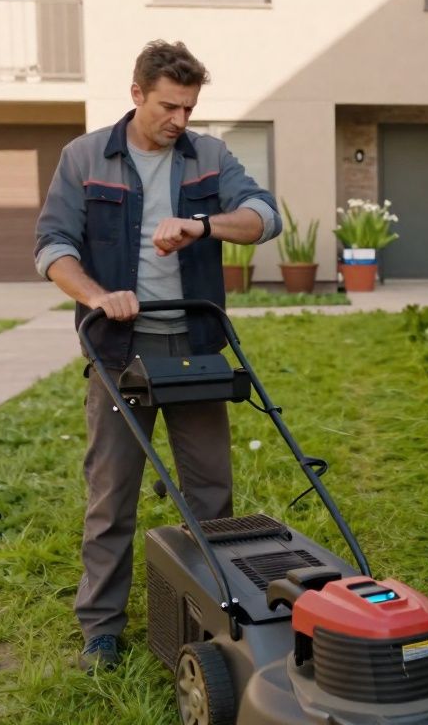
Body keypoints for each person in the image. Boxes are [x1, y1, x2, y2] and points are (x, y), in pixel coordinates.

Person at [33, 40, 281, 672]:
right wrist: (98, 296)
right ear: (137, 93)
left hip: (194, 346)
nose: (179, 119)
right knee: (111, 494)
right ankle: (101, 630)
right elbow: (53, 245)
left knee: (210, 493)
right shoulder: (85, 157)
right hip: (118, 350)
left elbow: (264, 216)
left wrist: (203, 225)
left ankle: (211, 615)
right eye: (169, 106)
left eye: (189, 107)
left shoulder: (210, 156)